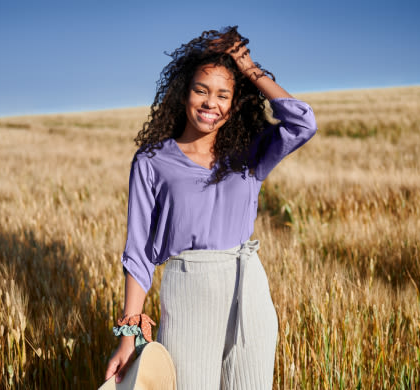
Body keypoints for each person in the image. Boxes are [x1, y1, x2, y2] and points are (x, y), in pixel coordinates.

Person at [105, 26, 317, 389]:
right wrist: (128, 336)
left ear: (234, 104)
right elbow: (138, 253)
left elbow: (302, 123)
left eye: (223, 95)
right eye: (201, 90)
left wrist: (249, 69)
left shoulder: (249, 153)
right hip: (188, 291)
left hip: (249, 285)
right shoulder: (152, 161)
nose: (210, 103)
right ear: (184, 93)